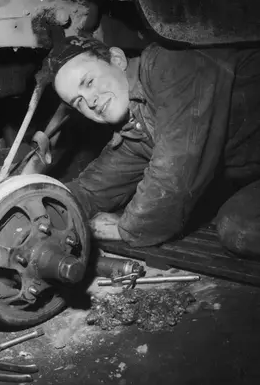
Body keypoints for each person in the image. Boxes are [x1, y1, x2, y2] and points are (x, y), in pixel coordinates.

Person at [50, 36, 260, 258]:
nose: (90, 101)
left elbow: (176, 168)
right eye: (78, 102)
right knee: (238, 224)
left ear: (117, 59)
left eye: (89, 82)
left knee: (240, 229)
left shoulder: (171, 61)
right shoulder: (136, 126)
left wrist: (128, 228)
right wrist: (41, 200)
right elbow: (92, 191)